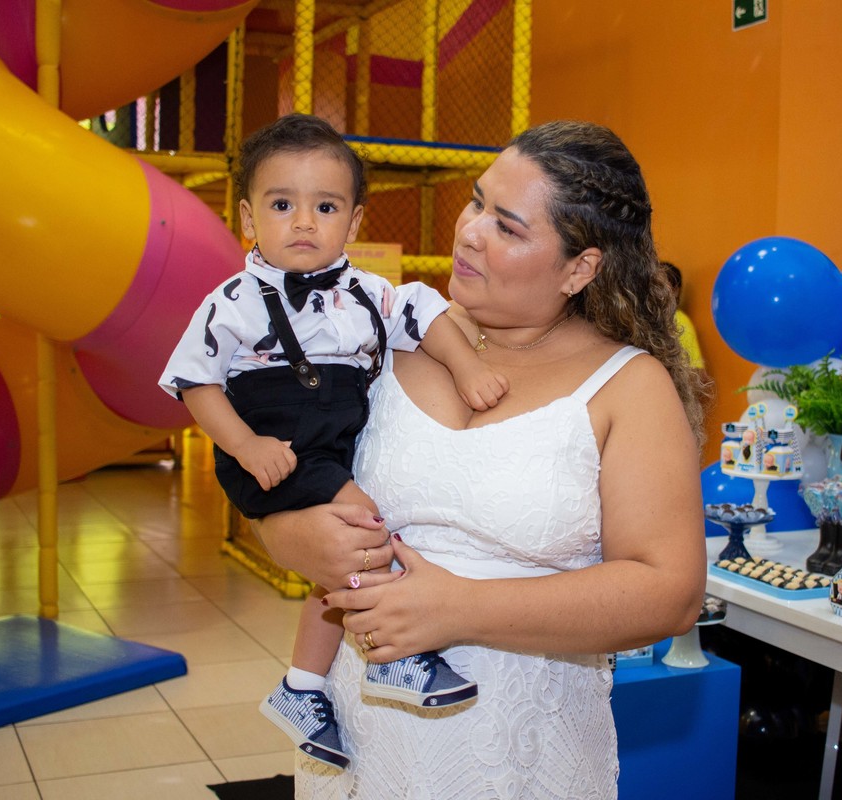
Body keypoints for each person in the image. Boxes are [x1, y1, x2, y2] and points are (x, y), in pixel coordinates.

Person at [253, 119, 710, 798]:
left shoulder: (627, 387)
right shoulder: (377, 336)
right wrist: (291, 535)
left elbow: (669, 592)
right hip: (357, 741)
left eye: (509, 226)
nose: (469, 231)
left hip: (513, 754)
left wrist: (461, 608)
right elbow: (278, 475)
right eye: (476, 201)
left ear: (580, 268)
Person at [159, 114, 509, 769]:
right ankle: (392, 656)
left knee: (334, 571)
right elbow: (196, 384)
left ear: (352, 224)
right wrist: (243, 446)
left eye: (324, 207)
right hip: (274, 447)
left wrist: (467, 367)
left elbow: (425, 312)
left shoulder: (366, 293)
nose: (302, 222)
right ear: (246, 218)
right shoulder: (231, 301)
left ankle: (301, 688)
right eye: (282, 204)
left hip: (329, 445)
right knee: (363, 530)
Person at [661, 260, 711, 385]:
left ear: (675, 290)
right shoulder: (644, 321)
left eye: (661, 286)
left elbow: (700, 374)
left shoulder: (678, 321)